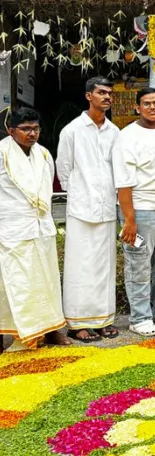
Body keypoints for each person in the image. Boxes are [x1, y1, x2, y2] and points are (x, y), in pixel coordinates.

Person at [0, 108, 69, 351]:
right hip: (10, 228)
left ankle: (50, 331)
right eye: (26, 129)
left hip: (40, 226)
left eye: (36, 128)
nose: (32, 133)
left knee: (46, 281)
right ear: (11, 131)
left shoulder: (44, 154)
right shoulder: (2, 153)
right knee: (10, 284)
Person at [56, 77, 120, 343]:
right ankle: (77, 323)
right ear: (88, 96)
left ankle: (103, 319)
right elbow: (63, 168)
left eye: (109, 93)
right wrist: (80, 195)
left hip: (107, 207)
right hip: (81, 208)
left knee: (105, 266)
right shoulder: (72, 130)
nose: (107, 97)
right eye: (101, 92)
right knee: (79, 266)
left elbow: (118, 168)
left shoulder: (114, 132)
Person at [112, 88, 155, 337]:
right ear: (137, 108)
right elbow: (123, 182)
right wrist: (129, 220)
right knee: (138, 265)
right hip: (141, 210)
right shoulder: (127, 136)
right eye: (146, 103)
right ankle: (139, 318)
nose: (152, 107)